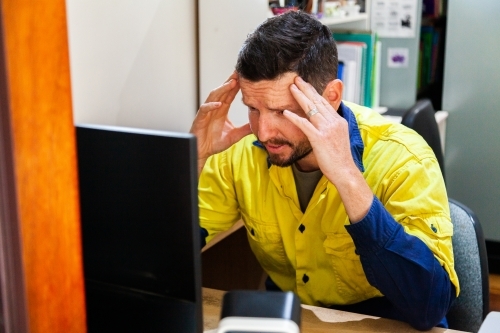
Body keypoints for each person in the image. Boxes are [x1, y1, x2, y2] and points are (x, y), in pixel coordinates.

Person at [191, 10, 459, 331]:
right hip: (290, 318)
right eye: (252, 108)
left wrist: (347, 176)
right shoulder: (239, 151)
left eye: (282, 111)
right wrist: (193, 161)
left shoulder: (403, 157)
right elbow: (165, 258)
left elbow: (429, 306)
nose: (263, 132)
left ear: (330, 97)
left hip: (384, 321)